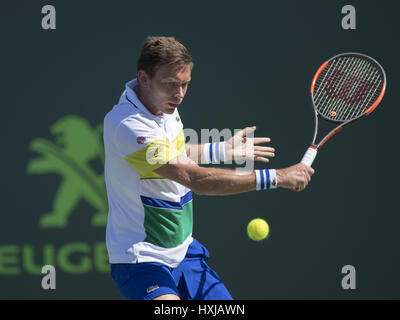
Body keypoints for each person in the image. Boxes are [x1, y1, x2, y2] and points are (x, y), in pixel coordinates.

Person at [103, 36, 314, 300]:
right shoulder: (128, 125)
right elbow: (193, 178)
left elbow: (172, 154)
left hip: (184, 251)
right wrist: (277, 177)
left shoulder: (162, 105)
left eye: (185, 85)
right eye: (170, 85)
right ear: (143, 78)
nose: (179, 94)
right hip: (141, 258)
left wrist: (220, 150)